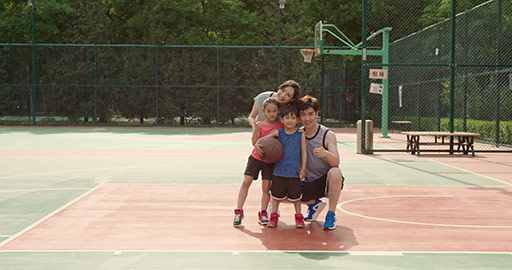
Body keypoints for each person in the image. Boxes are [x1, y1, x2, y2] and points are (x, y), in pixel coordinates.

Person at [233, 97, 284, 227]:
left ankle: (262, 213)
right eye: (269, 111)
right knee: (246, 182)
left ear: (278, 111)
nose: (272, 113)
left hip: (270, 161)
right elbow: (254, 143)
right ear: (264, 111)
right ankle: (238, 211)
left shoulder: (280, 126)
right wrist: (256, 130)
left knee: (266, 188)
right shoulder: (260, 124)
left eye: (274, 111)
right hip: (256, 158)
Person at [255, 104, 307, 228]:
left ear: (297, 120)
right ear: (282, 120)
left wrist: (303, 169)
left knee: (296, 198)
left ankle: (299, 218)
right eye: (287, 118)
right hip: (278, 172)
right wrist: (257, 143)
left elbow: (304, 153)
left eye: (293, 118)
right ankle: (273, 217)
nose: (290, 120)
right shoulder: (278, 133)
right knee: (276, 197)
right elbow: (263, 140)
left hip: (294, 172)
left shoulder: (301, 135)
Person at [298, 95, 345, 230]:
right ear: (299, 117)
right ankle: (313, 205)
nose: (307, 118)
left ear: (317, 114)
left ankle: (331, 214)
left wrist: (325, 153)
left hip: (325, 182)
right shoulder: (298, 134)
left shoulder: (327, 134)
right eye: (303, 115)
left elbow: (336, 161)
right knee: (276, 187)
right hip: (307, 181)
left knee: (336, 171)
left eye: (310, 114)